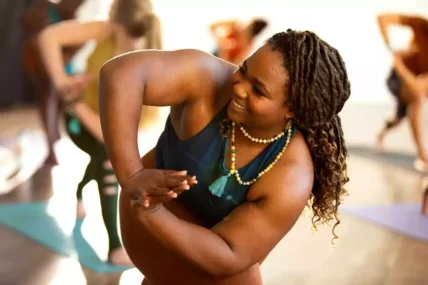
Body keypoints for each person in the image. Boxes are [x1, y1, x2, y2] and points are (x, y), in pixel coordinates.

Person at [99, 29, 351, 284]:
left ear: (292, 110)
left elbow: (229, 253)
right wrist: (132, 175)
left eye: (258, 91)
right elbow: (119, 74)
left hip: (200, 255)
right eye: (243, 70)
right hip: (145, 223)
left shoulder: (291, 172)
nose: (239, 88)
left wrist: (152, 214)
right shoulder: (206, 79)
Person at [37, 0, 162, 265]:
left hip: (99, 123)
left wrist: (78, 100)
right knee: (107, 159)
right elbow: (48, 37)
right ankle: (115, 247)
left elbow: (113, 133)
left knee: (105, 156)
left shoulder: (148, 57)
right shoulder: (105, 30)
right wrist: (65, 85)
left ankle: (80, 192)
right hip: (77, 120)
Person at [22, 0, 86, 165]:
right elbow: (34, 32)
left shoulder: (66, 12)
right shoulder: (41, 10)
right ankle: (51, 146)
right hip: (42, 64)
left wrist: (65, 59)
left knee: (58, 102)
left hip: (60, 65)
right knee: (49, 99)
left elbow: (78, 40)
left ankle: (54, 142)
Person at [376, 14, 428, 171]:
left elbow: (417, 85)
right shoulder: (420, 24)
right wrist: (392, 49)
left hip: (415, 81)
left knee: (398, 118)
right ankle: (422, 155)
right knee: (416, 100)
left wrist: (399, 63)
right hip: (397, 78)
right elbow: (382, 19)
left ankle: (381, 134)